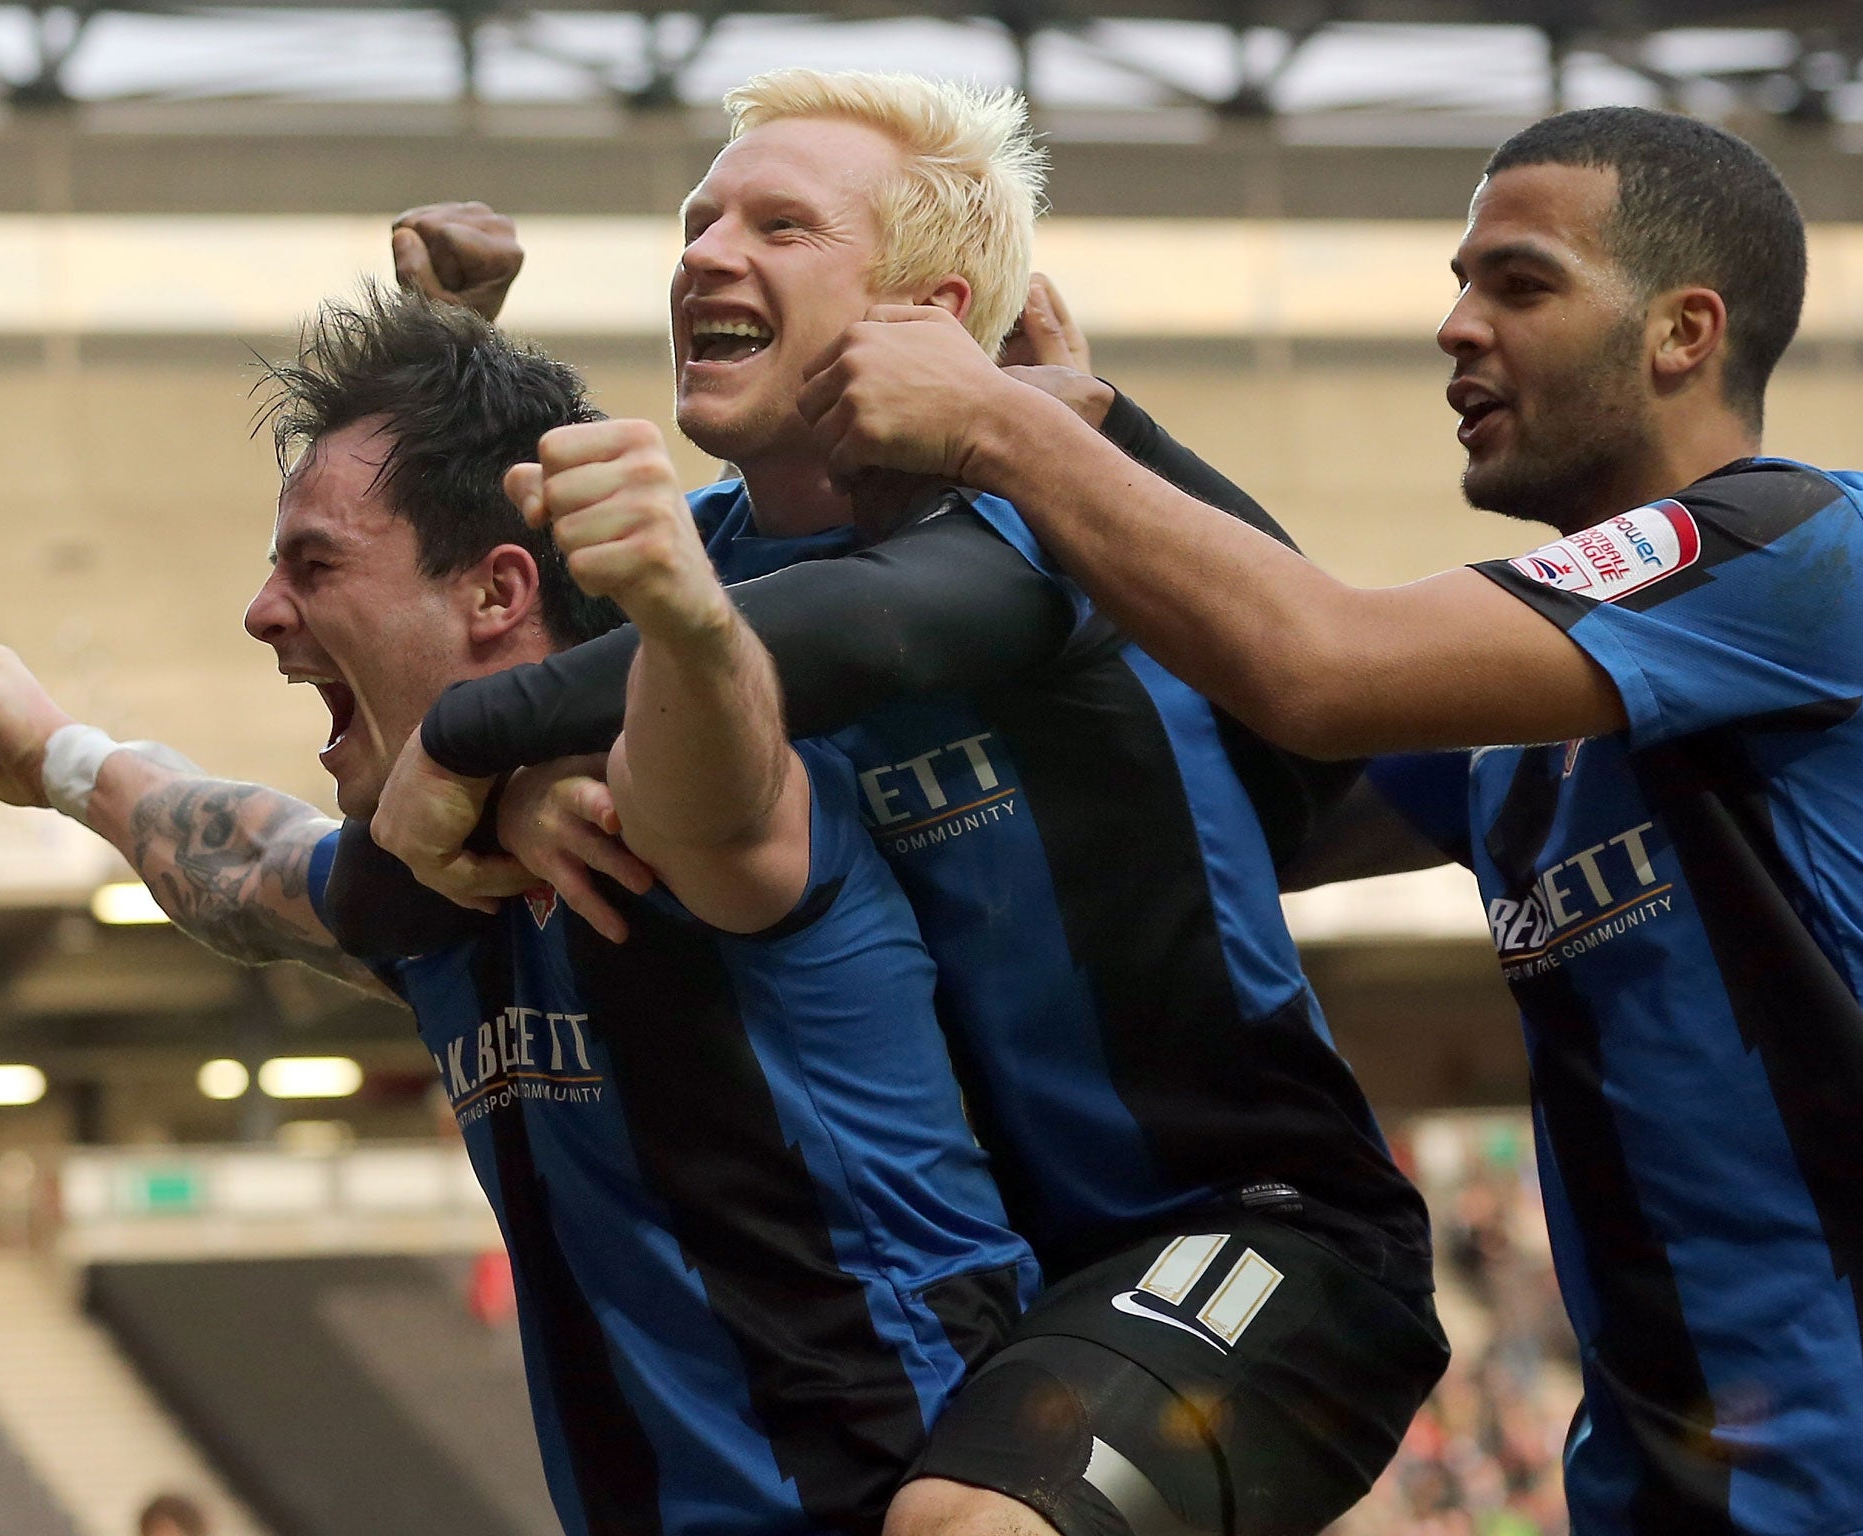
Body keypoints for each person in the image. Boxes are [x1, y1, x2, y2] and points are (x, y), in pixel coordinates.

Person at [800, 104, 1863, 1536]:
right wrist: (1104, 427)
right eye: (1459, 282)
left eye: (1518, 284)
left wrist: (1004, 429)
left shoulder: (1787, 547)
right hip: (1663, 1491)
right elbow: (1256, 791)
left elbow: (1320, 670)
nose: (1457, 325)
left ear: (1683, 330)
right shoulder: (1530, 729)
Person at [370, 70, 1448, 1536]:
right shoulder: (710, 560)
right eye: (699, 221)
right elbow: (480, 614)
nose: (702, 253)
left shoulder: (1053, 516)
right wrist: (448, 350)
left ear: (930, 318)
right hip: (983, 1287)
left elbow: (832, 629)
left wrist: (479, 736)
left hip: (1250, 1238)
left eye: (781, 224)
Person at [0, 286, 1039, 1536]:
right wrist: (61, 758)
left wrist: (661, 597)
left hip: (917, 1496)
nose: (260, 611)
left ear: (498, 593)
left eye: (314, 564)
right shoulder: (431, 890)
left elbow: (716, 729)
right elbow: (242, 868)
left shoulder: (679, 810)